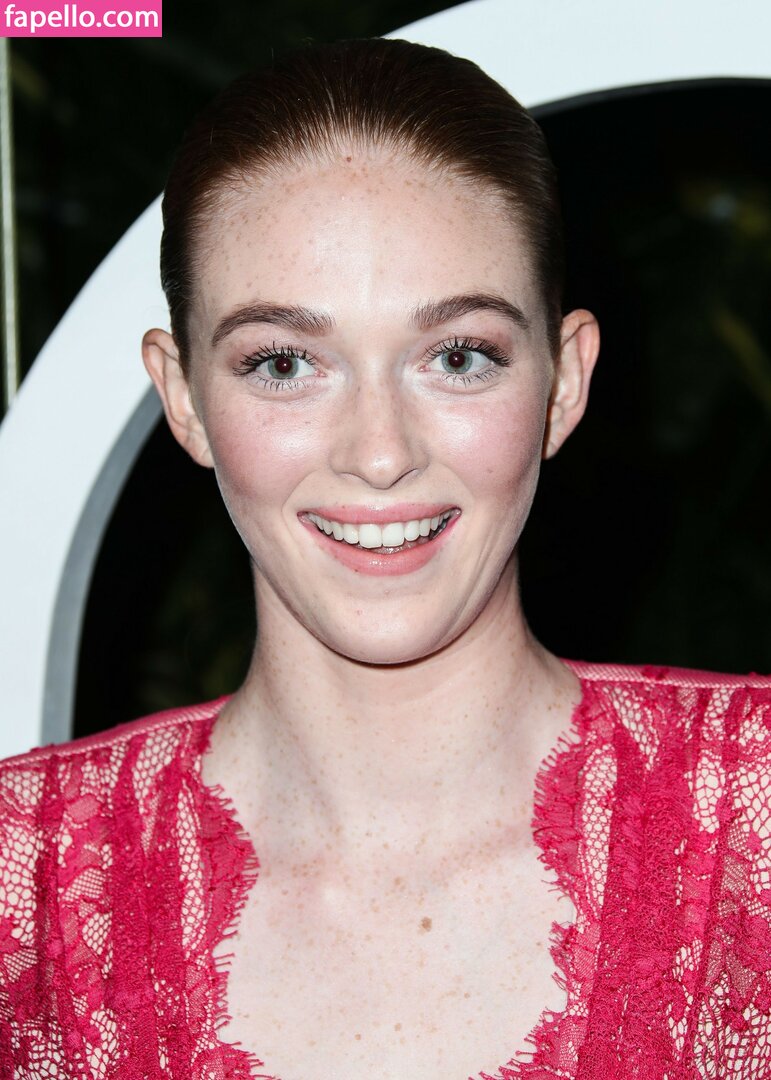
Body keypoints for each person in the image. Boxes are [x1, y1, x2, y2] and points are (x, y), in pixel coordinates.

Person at [1, 36, 769, 1080]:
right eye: (284, 363)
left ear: (563, 383)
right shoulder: (24, 885)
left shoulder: (754, 820)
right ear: (182, 397)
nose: (377, 452)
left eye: (457, 357)